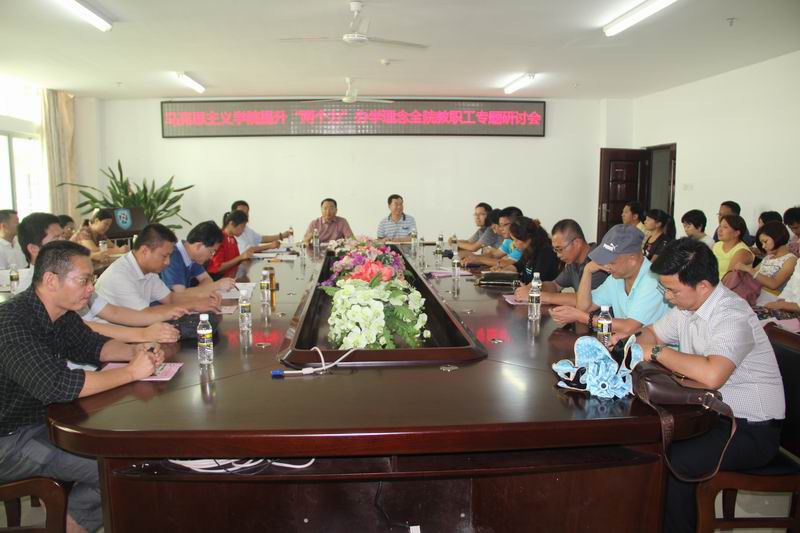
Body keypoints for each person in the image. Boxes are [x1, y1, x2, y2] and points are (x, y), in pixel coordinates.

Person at [0, 240, 167, 533]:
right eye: (84, 280)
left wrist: (135, 351)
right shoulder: (12, 322)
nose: (91, 288)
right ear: (51, 280)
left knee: (126, 450)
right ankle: (69, 522)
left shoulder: (60, 314)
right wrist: (131, 372)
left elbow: (93, 345)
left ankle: (70, 517)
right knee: (119, 468)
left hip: (39, 423)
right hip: (9, 439)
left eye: (92, 279)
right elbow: (56, 385)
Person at [629, 238, 784, 533]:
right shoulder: (687, 307)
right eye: (665, 289)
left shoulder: (731, 314)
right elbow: (651, 334)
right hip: (712, 417)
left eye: (673, 290)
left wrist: (656, 352)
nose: (668, 297)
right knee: (648, 446)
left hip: (751, 429)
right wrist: (637, 344)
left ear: (702, 286)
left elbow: (713, 375)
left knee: (673, 461)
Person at [17, 213, 185, 344]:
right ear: (33, 249)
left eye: (63, 235)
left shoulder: (70, 276)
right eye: (56, 238)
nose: (64, 241)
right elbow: (80, 327)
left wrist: (169, 314)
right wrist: (142, 335)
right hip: (76, 362)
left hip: (99, 347)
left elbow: (113, 312)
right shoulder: (30, 290)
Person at [550, 224, 669, 337]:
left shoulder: (653, 279)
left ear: (632, 259)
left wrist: (582, 317)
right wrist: (587, 271)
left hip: (654, 350)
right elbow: (584, 307)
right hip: (626, 345)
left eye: (612, 262)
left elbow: (629, 327)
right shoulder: (616, 278)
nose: (606, 266)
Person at [95, 223, 220, 311]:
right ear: (145, 251)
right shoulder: (120, 275)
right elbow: (144, 315)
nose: (168, 262)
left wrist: (200, 301)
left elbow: (170, 298)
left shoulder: (149, 272)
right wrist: (192, 305)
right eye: (164, 256)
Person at [514, 219, 608, 305]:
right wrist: (536, 287)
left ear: (577, 243)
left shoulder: (597, 262)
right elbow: (555, 285)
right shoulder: (573, 262)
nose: (558, 255)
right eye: (555, 250)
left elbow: (587, 299)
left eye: (560, 249)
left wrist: (537, 295)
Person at [160, 220, 235, 294]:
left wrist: (196, 291)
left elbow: (207, 280)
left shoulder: (192, 257)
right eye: (211, 252)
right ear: (199, 246)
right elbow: (180, 294)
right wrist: (217, 285)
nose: (211, 257)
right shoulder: (172, 256)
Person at [734, 221, 797, 304]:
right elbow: (753, 275)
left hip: (772, 299)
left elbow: (774, 284)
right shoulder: (768, 257)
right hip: (756, 294)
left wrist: (749, 269)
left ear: (777, 237)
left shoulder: (791, 259)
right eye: (762, 243)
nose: (763, 246)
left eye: (765, 241)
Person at [208, 210, 273, 279]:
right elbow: (217, 268)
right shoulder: (220, 239)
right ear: (231, 224)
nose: (243, 230)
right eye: (242, 226)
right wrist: (241, 257)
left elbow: (237, 261)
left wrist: (244, 257)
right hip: (223, 280)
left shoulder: (232, 238)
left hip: (234, 276)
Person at [494, 217, 559, 283]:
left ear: (528, 239)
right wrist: (503, 270)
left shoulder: (545, 252)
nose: (514, 244)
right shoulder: (529, 249)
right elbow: (519, 265)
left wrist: (514, 276)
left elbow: (536, 279)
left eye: (516, 240)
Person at [713, 214, 754, 279]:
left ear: (736, 233)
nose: (719, 230)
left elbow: (728, 279)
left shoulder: (742, 252)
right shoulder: (717, 245)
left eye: (725, 227)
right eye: (720, 226)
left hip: (725, 284)